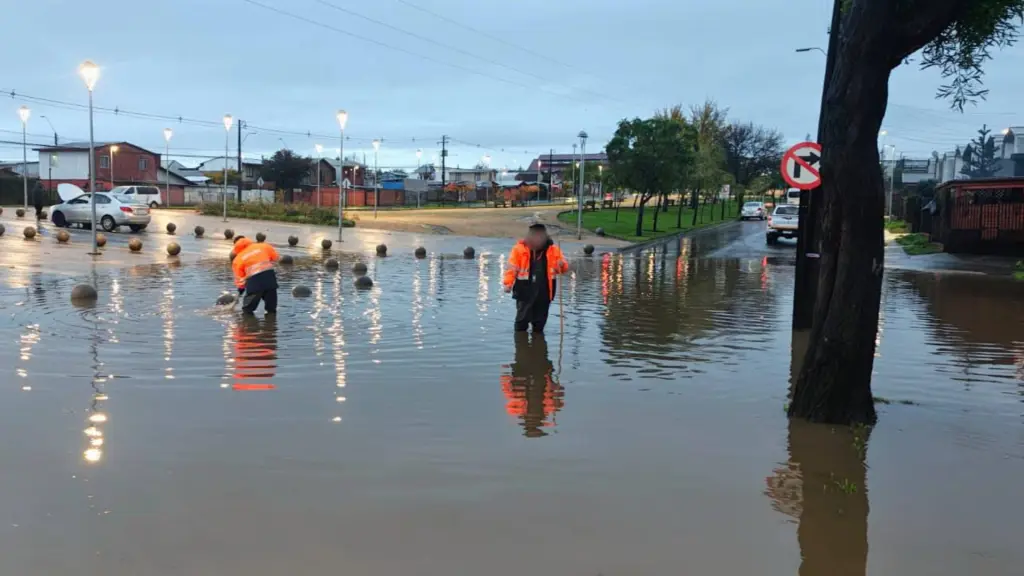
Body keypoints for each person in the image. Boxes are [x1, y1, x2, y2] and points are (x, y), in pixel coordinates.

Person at [502, 223, 569, 333]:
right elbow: (511, 269)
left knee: (539, 325)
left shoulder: (554, 250)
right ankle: (521, 347)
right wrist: (508, 284)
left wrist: (562, 265)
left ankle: (537, 342)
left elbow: (562, 269)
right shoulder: (519, 250)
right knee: (521, 323)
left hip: (545, 293)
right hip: (524, 292)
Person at [231, 236, 280, 315]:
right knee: (271, 309)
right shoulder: (264, 246)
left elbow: (241, 280)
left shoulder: (238, 259)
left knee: (247, 310)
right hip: (270, 279)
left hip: (254, 283)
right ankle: (271, 325)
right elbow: (275, 257)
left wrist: (240, 291)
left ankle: (248, 325)